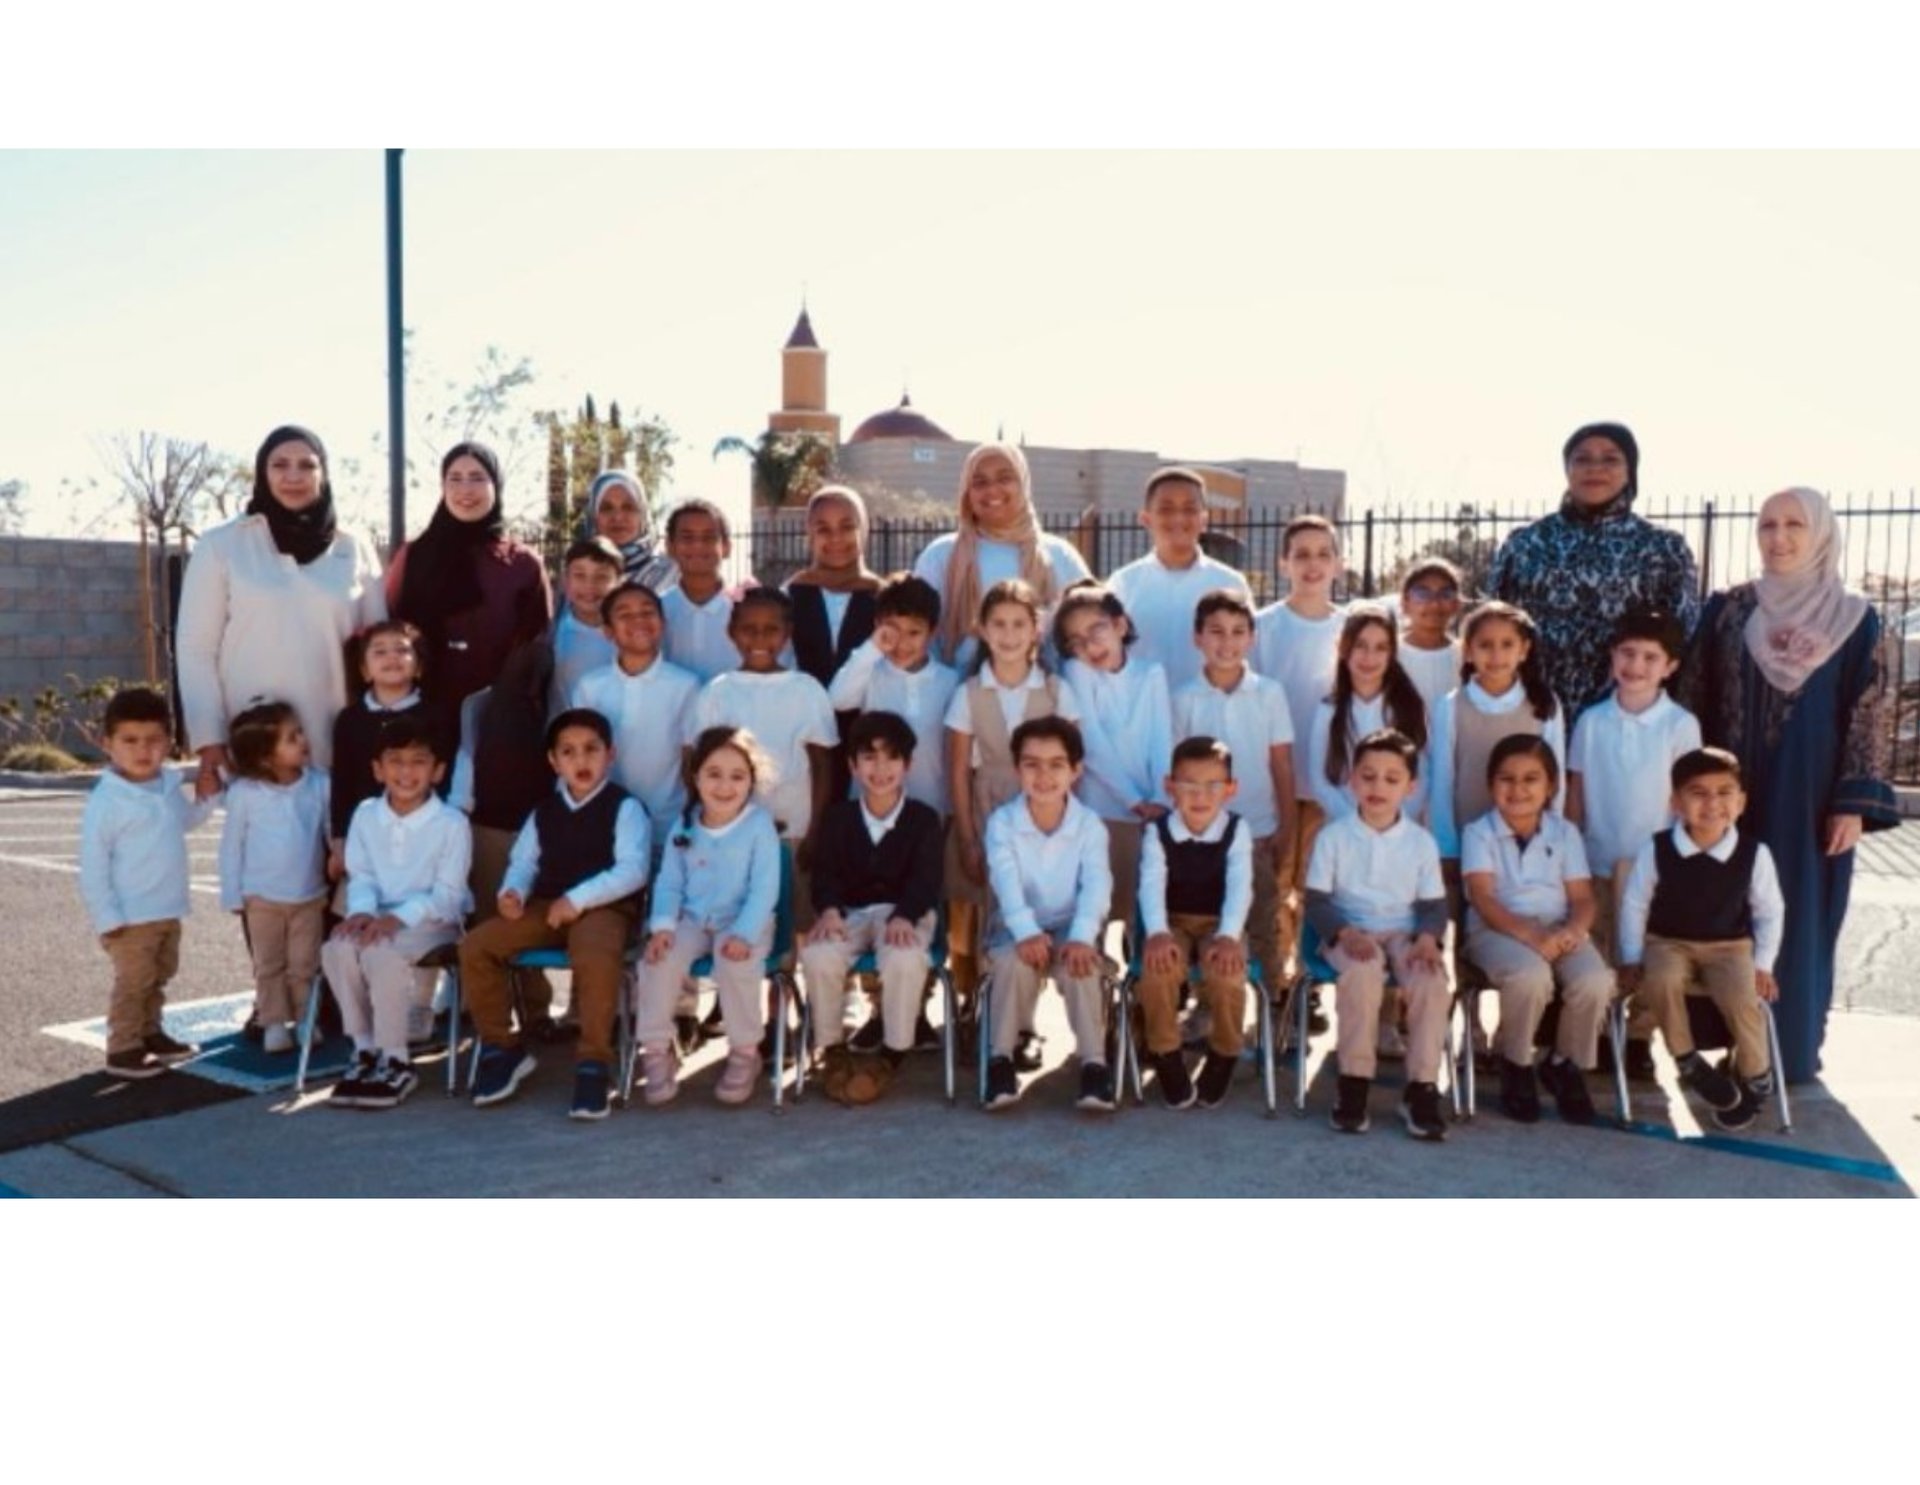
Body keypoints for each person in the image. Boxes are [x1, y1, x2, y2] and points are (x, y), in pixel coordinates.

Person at [1682, 486, 1898, 1084]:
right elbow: (1694, 695)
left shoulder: (1854, 617)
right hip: (1723, 799)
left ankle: (1785, 1050)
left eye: (1794, 525)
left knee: (1796, 915)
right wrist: (1689, 790)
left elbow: (1870, 710)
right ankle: (1721, 1042)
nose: (1778, 538)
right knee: (1722, 909)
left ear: (1821, 533)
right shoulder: (1729, 610)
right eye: (1767, 525)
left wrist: (1852, 803)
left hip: (1808, 797)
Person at [461, 708, 651, 1121]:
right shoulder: (544, 812)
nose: (581, 760)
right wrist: (512, 892)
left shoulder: (625, 807)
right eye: (568, 752)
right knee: (477, 946)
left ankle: (593, 1062)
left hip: (604, 908)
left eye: (591, 750)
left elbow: (633, 870)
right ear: (553, 761)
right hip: (547, 908)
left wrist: (577, 900)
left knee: (594, 953)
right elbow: (523, 863)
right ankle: (502, 1048)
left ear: (610, 755)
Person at [176, 424, 386, 793]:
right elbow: (196, 650)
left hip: (340, 746)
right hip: (256, 747)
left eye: (307, 465)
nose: (293, 476)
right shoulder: (221, 545)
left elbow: (379, 642)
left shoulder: (354, 547)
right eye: (280, 465)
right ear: (262, 472)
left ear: (324, 473)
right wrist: (209, 739)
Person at [944, 578, 1083, 1056]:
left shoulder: (1056, 690)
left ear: (1035, 629)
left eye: (1019, 624)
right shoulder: (968, 693)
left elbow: (1073, 765)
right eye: (998, 624)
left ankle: (1022, 1026)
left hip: (1043, 813)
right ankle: (980, 1011)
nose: (1008, 635)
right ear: (982, 630)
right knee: (984, 914)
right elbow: (957, 770)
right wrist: (968, 836)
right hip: (987, 808)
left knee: (1033, 911)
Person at [1617, 748, 1787, 1131]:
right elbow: (1635, 904)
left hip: (1730, 947)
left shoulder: (1754, 854)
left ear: (1741, 802)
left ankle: (1756, 1074)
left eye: (1725, 793)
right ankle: (1687, 1059)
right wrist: (1630, 956)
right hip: (1668, 941)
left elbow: (1770, 911)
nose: (1712, 803)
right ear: (1676, 803)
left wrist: (1763, 964)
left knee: (1742, 996)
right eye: (1698, 793)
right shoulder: (1658, 848)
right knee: (1660, 980)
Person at [1487, 420, 1700, 724]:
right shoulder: (1525, 543)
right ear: (1567, 469)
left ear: (1630, 471)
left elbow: (1682, 638)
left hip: (1625, 717)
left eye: (1610, 459)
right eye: (1582, 459)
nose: (1595, 468)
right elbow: (1492, 624)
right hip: (1533, 712)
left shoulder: (1664, 548)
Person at [1565, 609, 1700, 1078]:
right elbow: (1577, 790)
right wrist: (1572, 855)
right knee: (1601, 947)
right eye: (1627, 653)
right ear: (1612, 656)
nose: (1635, 665)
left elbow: (1686, 796)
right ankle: (1602, 1032)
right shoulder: (1592, 720)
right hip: (1597, 858)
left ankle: (1640, 1036)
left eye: (1649, 657)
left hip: (1653, 865)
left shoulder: (1680, 725)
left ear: (1670, 666)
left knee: (1646, 950)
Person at [1460, 734, 1617, 1126]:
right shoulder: (1479, 832)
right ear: (1491, 784)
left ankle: (1564, 1063)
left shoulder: (1564, 833)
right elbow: (1483, 898)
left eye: (1531, 779)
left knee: (1595, 980)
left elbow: (1582, 898)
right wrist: (1531, 936)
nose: (1518, 789)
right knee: (1530, 976)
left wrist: (1574, 931)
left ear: (1551, 786)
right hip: (1497, 930)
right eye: (1506, 779)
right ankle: (1516, 1063)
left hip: (1557, 927)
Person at [1304, 728, 1451, 1140]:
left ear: (1411, 787)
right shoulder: (1333, 837)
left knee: (1431, 981)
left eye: (1391, 779)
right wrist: (1345, 932)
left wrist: (1427, 939)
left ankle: (1421, 1087)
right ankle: (1353, 1082)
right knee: (1363, 973)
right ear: (1352, 780)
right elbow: (1316, 901)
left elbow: (1433, 906)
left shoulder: (1421, 843)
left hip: (1404, 933)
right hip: (1349, 931)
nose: (1378, 787)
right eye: (1368, 777)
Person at [320, 714, 471, 1110]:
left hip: (433, 923)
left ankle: (396, 1059)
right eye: (396, 761)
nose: (406, 772)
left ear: (438, 771)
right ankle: (365, 1050)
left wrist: (398, 918)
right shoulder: (366, 814)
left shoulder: (451, 823)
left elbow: (449, 896)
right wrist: (362, 912)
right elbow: (363, 876)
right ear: (378, 769)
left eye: (419, 761)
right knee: (337, 947)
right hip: (381, 918)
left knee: (380, 951)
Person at [632, 726, 785, 1107]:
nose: (725, 786)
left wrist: (744, 933)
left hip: (743, 921)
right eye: (714, 774)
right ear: (696, 776)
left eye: (737, 776)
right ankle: (656, 1050)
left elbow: (764, 888)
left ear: (751, 781)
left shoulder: (758, 825)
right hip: (692, 920)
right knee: (658, 960)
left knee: (734, 963)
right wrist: (663, 927)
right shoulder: (685, 824)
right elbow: (669, 883)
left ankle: (745, 1053)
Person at [798, 712, 944, 1105]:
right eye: (869, 758)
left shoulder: (923, 819)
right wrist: (829, 910)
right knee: (819, 953)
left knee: (904, 956)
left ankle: (893, 1052)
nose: (881, 769)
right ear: (852, 765)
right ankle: (832, 1048)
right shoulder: (838, 819)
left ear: (908, 765)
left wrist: (905, 915)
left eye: (892, 758)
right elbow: (825, 875)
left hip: (905, 912)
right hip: (850, 912)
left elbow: (927, 880)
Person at [79, 687, 215, 1079]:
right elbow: (93, 866)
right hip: (129, 916)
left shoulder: (167, 785)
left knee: (160, 974)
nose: (143, 750)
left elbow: (183, 822)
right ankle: (123, 1047)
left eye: (154, 740)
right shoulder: (107, 801)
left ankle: (150, 1031)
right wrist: (106, 916)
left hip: (167, 907)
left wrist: (205, 801)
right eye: (130, 740)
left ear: (169, 743)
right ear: (107, 744)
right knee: (134, 982)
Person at [981, 717, 1115, 1113]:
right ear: (1017, 769)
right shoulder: (1003, 823)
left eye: (1056, 764)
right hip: (1016, 924)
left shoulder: (1089, 825)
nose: (1044, 776)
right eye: (1032, 764)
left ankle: (1094, 1064)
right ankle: (1000, 1060)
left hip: (1072, 924)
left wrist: (1082, 936)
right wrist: (1025, 931)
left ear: (1076, 770)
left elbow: (1097, 885)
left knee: (1081, 966)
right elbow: (1005, 882)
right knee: (1013, 962)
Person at [1171, 589, 1296, 1013]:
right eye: (1217, 631)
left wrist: (1287, 826)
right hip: (1201, 837)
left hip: (1258, 830)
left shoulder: (1269, 694)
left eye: (1238, 631)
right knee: (1212, 925)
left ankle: (1272, 1011)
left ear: (1252, 638)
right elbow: (1176, 771)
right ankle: (1208, 1011)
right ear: (1198, 638)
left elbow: (1281, 763)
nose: (1227, 642)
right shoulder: (1183, 697)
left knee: (1262, 922)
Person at [692, 587, 837, 934]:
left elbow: (822, 765)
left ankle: (789, 974)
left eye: (771, 629)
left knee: (796, 925)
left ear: (787, 634)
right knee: (744, 927)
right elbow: (699, 765)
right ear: (732, 632)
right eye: (748, 629)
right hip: (732, 834)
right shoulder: (717, 691)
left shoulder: (806, 689)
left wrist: (816, 830)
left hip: (794, 830)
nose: (759, 638)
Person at [386, 441, 552, 725]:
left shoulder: (522, 565)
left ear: (496, 486)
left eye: (477, 478)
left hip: (499, 717)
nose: (465, 489)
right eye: (455, 478)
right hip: (421, 715)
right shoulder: (414, 556)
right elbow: (390, 626)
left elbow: (537, 646)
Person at [1135, 737, 1254, 1110]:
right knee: (1159, 968)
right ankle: (1165, 1051)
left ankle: (1225, 1052)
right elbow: (1151, 885)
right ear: (1170, 786)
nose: (1200, 796)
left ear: (1230, 789)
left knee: (1226, 972)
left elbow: (1240, 887)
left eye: (1213, 785)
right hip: (1171, 920)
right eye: (1188, 784)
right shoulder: (1158, 832)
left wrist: (1228, 936)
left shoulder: (1236, 830)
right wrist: (1157, 932)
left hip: (1220, 922)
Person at [1254, 513, 1347, 984]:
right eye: (1302, 554)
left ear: (1339, 563)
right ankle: (1276, 984)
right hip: (1276, 780)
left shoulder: (1351, 627)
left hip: (1331, 781)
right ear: (1283, 563)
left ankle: (1307, 982)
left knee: (1317, 887)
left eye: (1324, 554)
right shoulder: (1262, 627)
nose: (1313, 565)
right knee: (1274, 886)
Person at [1054, 580, 1172, 939]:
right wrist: (1132, 799)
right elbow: (1090, 743)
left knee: (1145, 905)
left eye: (1096, 631)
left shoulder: (1152, 674)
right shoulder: (1077, 672)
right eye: (1076, 640)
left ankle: (1139, 971)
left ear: (1120, 625)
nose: (1090, 646)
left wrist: (1160, 799)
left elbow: (1161, 741)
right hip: (1100, 808)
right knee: (1096, 906)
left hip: (1150, 812)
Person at [913, 441, 1091, 670]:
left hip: (1045, 688)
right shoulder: (941, 555)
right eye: (980, 482)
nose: (992, 490)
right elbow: (919, 633)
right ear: (967, 493)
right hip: (959, 688)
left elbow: (1086, 630)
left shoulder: (1059, 555)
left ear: (1023, 484)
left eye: (1005, 478)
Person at [217, 700, 330, 1054]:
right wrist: (232, 893)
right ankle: (274, 1022)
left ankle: (306, 1019)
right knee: (268, 965)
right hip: (262, 898)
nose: (303, 741)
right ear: (266, 757)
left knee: (305, 965)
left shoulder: (319, 784)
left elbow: (330, 831)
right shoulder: (245, 793)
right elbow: (231, 846)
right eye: (291, 738)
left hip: (309, 896)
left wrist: (340, 862)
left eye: (300, 732)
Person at [1427, 600, 1566, 867]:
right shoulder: (1450, 706)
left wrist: (1552, 839)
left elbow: (1555, 780)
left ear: (1523, 650)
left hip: (1530, 844)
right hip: (1469, 844)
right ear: (1468, 651)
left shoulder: (1544, 704)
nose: (1496, 655)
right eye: (1485, 645)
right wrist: (1447, 849)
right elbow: (1442, 783)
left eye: (1507, 644)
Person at [570, 581, 703, 848]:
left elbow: (691, 757)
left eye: (647, 612)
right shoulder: (590, 687)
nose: (638, 621)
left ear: (663, 623)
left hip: (668, 826)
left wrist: (691, 819)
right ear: (608, 631)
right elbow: (578, 756)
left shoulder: (686, 685)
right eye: (625, 615)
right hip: (606, 826)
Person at [1106, 466, 1251, 693]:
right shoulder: (1123, 584)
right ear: (1145, 518)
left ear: (1204, 519)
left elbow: (1246, 655)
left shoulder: (1230, 583)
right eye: (1166, 509)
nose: (1178, 518)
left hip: (1208, 710)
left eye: (1189, 509)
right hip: (1142, 710)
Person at [827, 572, 960, 817]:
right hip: (870, 809)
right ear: (877, 624)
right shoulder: (868, 670)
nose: (902, 643)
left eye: (914, 633)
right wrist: (873, 647)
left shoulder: (950, 681)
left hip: (931, 808)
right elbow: (837, 699)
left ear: (933, 632)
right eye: (893, 630)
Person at [1305, 606, 1430, 825]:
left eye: (1380, 648)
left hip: (1399, 830)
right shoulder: (1328, 710)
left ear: (1391, 655)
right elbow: (1319, 780)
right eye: (1360, 645)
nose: (1369, 657)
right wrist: (1357, 822)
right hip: (1343, 827)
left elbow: (1423, 774)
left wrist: (1392, 821)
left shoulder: (1409, 707)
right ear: (1343, 648)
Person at [330, 620, 432, 886]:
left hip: (420, 834)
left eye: (402, 650)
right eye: (380, 651)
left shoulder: (435, 716)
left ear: (418, 666)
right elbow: (341, 781)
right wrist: (340, 838)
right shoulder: (349, 720)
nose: (391, 658)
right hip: (364, 838)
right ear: (364, 670)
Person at [785, 484, 880, 691]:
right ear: (810, 535)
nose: (835, 538)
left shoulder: (884, 597)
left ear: (863, 529)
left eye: (847, 527)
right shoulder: (788, 597)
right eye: (823, 529)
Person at [660, 498, 747, 683]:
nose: (698, 545)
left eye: (709, 538)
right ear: (670, 547)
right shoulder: (658, 610)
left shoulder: (747, 610)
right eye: (687, 538)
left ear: (726, 547)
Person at [548, 536, 623, 715]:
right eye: (580, 575)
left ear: (619, 583)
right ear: (566, 581)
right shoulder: (551, 634)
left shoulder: (628, 635)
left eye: (602, 577)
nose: (589, 586)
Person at [584, 469, 675, 590]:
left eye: (628, 507)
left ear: (642, 516)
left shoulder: (669, 574)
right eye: (607, 508)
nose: (617, 517)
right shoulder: (576, 574)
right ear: (594, 517)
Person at [1396, 558, 1464, 717]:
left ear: (1456, 604)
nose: (1434, 604)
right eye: (1422, 594)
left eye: (1445, 594)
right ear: (1405, 603)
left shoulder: (1466, 655)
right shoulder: (1388, 653)